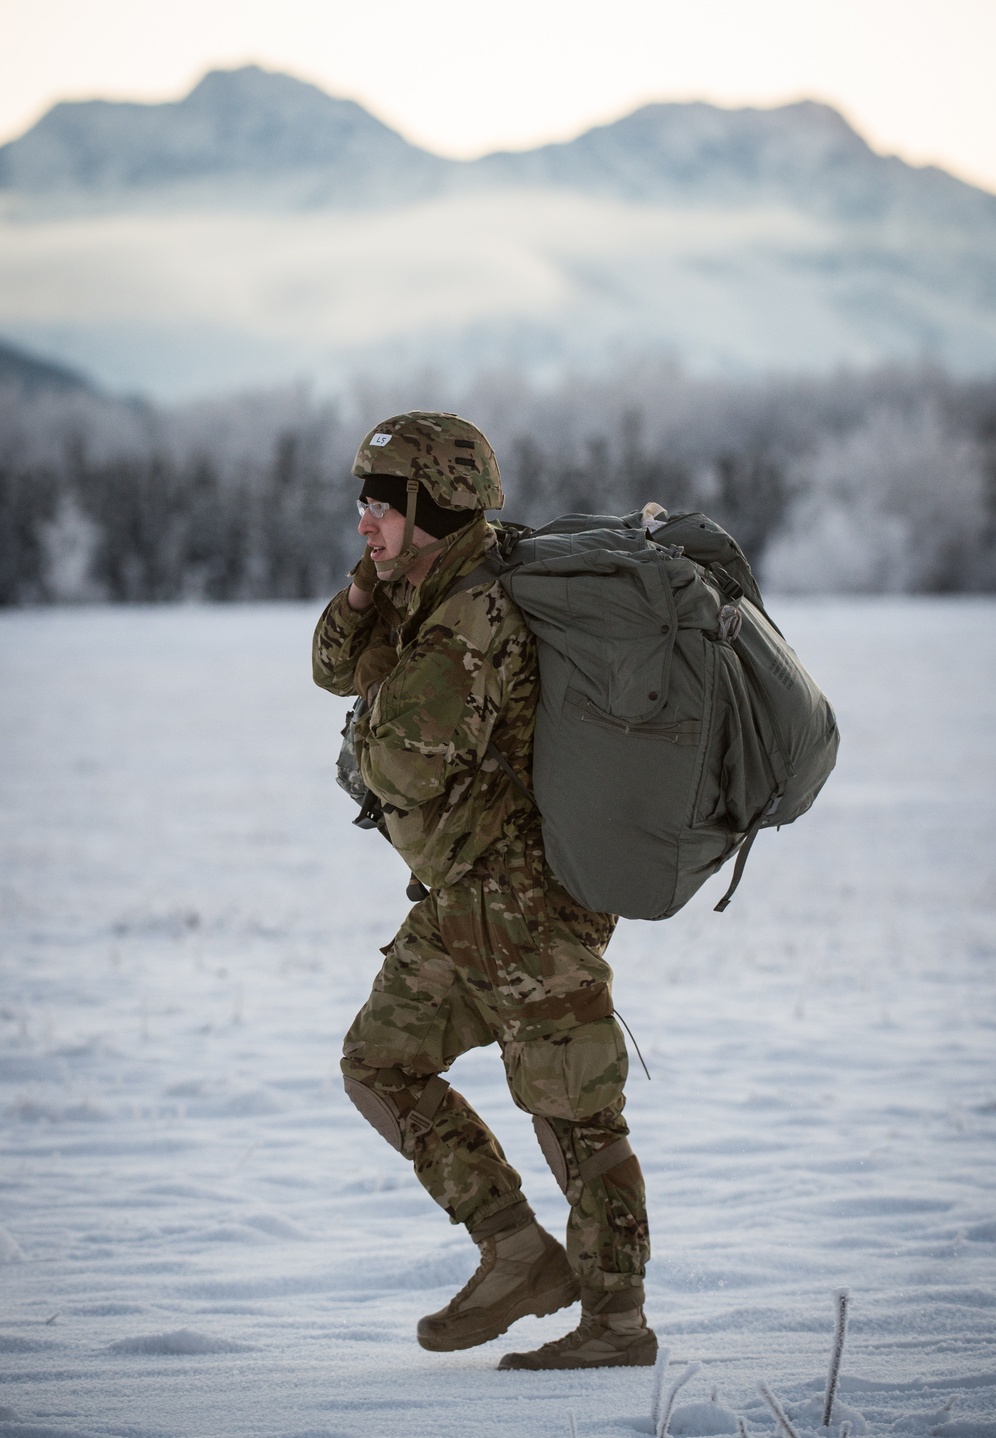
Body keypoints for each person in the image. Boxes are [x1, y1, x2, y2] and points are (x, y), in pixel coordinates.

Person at [312, 411, 654, 1370]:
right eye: (364, 505)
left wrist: (377, 693)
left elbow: (403, 767)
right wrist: (369, 593)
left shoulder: (473, 609)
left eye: (381, 507)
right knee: (380, 1063)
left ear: (433, 505)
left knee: (572, 1106)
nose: (365, 521)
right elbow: (328, 664)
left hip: (523, 900)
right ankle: (517, 1252)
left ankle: (617, 1327)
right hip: (464, 892)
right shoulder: (424, 581)